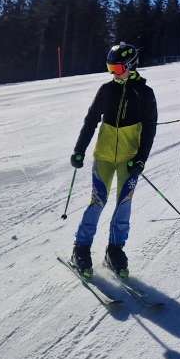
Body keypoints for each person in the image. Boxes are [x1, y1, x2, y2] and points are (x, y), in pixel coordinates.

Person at [69, 42, 157, 279]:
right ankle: (81, 247)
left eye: (117, 69)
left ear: (130, 66)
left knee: (124, 203)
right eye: (110, 68)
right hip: (104, 156)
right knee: (98, 200)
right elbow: (90, 120)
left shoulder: (144, 93)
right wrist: (79, 149)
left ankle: (115, 249)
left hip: (129, 159)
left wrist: (141, 159)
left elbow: (150, 129)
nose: (113, 74)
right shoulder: (106, 90)